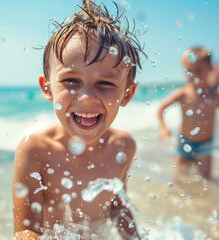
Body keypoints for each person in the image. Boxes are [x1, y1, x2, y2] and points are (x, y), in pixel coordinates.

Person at [12, 1, 145, 239]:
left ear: (127, 94)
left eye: (105, 83)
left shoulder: (123, 146)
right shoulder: (35, 150)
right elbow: (25, 229)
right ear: (47, 88)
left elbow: (117, 205)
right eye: (71, 81)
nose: (87, 98)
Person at [157, 47, 219, 179]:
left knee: (205, 180)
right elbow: (160, 108)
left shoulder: (214, 97)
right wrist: (163, 128)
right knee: (179, 178)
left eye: (198, 70)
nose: (192, 75)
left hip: (205, 144)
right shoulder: (183, 93)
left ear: (210, 68)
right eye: (188, 71)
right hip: (183, 143)